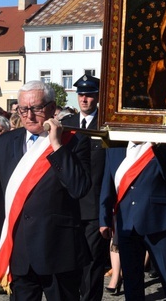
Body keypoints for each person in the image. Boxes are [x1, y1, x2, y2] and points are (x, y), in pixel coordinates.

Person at [0, 80, 92, 300]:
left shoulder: (74, 141)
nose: (29, 116)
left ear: (51, 108)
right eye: (23, 109)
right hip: (19, 252)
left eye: (36, 109)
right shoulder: (4, 143)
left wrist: (57, 145)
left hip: (59, 251)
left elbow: (79, 187)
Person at [99, 141, 166, 301]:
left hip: (158, 221)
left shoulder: (162, 146)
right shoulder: (115, 148)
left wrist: (158, 148)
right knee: (132, 281)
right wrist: (104, 218)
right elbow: (108, 184)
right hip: (126, 222)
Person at [61, 75, 108, 301]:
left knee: (92, 263)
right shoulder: (66, 124)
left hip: (94, 205)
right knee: (69, 262)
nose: (84, 99)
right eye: (81, 94)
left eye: (89, 95)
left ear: (98, 97)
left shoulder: (105, 125)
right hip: (68, 204)